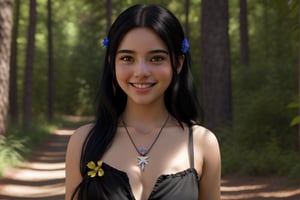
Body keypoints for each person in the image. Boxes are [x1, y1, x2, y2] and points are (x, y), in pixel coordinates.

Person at [65, 4, 221, 200]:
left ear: (178, 63)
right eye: (127, 58)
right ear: (112, 62)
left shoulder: (202, 143)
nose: (141, 72)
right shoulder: (82, 141)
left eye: (156, 58)